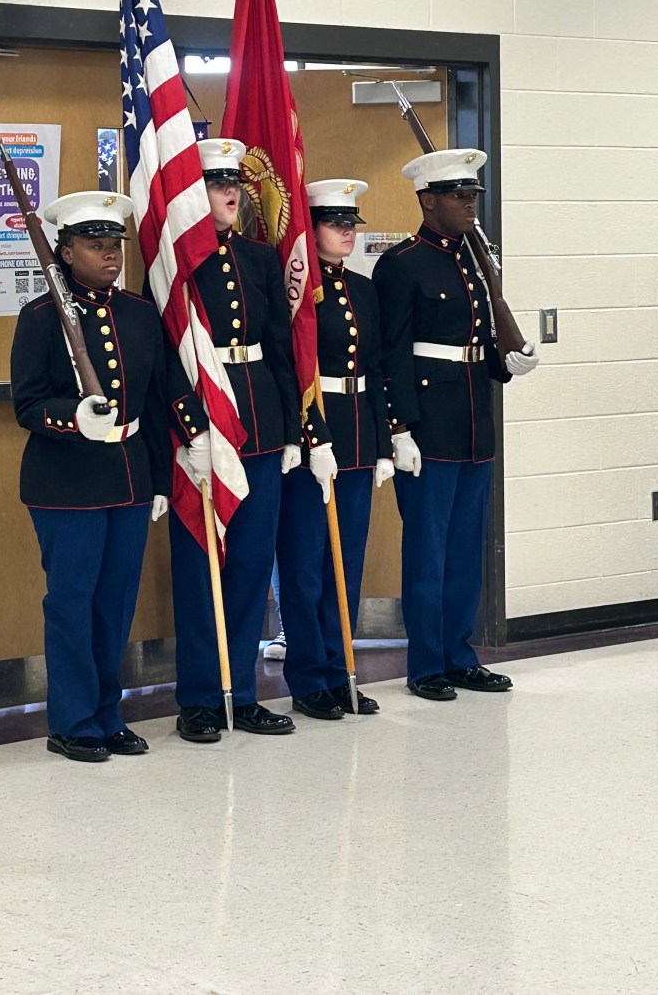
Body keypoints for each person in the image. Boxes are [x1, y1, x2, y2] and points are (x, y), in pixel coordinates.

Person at [10, 190, 206, 763]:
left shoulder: (139, 314)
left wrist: (173, 469)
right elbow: (25, 405)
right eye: (94, 246)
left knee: (114, 604)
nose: (110, 256)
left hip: (128, 478)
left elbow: (163, 389)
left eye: (114, 245)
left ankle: (105, 711)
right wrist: (72, 417)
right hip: (65, 484)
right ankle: (72, 720)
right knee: (72, 602)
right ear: (65, 253)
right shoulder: (43, 316)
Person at [168, 139, 334, 743]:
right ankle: (199, 699)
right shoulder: (178, 263)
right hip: (209, 429)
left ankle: (240, 692)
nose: (232, 193)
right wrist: (190, 429)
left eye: (235, 182)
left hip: (260, 424)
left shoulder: (261, 258)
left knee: (249, 566)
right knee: (200, 566)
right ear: (193, 192)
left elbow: (283, 347)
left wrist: (293, 429)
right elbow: (170, 353)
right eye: (216, 184)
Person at [372, 150, 539, 702]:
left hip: (473, 423)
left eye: (473, 197)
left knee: (467, 550)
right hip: (429, 427)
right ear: (427, 201)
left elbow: (479, 337)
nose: (470, 205)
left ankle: (459, 655)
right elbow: (391, 354)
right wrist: (399, 428)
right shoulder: (401, 265)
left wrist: (506, 362)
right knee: (429, 551)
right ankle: (425, 665)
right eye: (458, 197)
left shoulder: (472, 259)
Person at [275, 180, 394, 720]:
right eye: (334, 222)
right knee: (305, 565)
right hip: (313, 439)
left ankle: (342, 670)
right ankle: (308, 677)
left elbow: (379, 369)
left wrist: (387, 440)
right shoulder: (295, 293)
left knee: (346, 561)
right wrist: (306, 433)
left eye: (351, 222)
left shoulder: (366, 290)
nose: (347, 230)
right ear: (309, 228)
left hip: (357, 434)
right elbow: (290, 369)